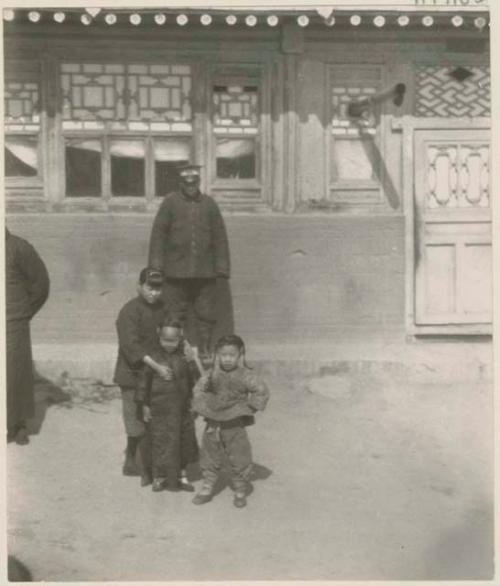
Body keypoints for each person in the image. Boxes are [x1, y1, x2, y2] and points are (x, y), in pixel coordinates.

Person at [148, 163, 230, 365]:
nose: (191, 186)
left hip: (205, 272)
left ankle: (204, 349)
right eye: (186, 182)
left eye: (194, 182)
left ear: (199, 182)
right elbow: (159, 235)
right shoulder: (170, 203)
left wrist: (221, 268)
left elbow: (220, 237)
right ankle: (176, 350)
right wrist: (156, 267)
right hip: (175, 271)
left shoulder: (209, 205)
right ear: (180, 183)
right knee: (174, 312)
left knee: (206, 313)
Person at [191, 335, 270, 508]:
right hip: (213, 422)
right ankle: (207, 486)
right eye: (223, 355)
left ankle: (240, 489)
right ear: (217, 355)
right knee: (209, 453)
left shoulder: (245, 376)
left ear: (240, 355)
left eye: (231, 355)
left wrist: (249, 407)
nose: (227, 359)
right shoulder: (212, 374)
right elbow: (198, 388)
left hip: (234, 422)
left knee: (239, 455)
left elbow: (261, 390)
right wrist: (203, 404)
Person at [113, 267, 172, 476]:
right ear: (139, 286)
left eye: (158, 289)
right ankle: (130, 457)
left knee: (154, 416)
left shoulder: (164, 309)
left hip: (155, 375)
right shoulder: (129, 311)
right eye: (150, 288)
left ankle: (155, 459)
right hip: (132, 374)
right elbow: (131, 346)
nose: (154, 293)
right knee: (134, 418)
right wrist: (156, 366)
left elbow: (173, 333)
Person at [135, 318, 200, 492]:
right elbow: (143, 383)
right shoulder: (153, 359)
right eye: (165, 340)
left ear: (180, 338)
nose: (169, 344)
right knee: (159, 442)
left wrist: (192, 360)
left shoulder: (184, 358)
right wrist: (144, 405)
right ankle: (159, 477)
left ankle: (183, 476)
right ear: (159, 337)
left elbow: (196, 379)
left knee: (183, 442)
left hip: (181, 409)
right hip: (159, 409)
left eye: (174, 340)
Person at [6, 229, 50, 445]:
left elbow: (41, 285)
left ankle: (18, 425)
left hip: (13, 320)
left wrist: (24, 312)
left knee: (16, 373)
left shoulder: (19, 248)